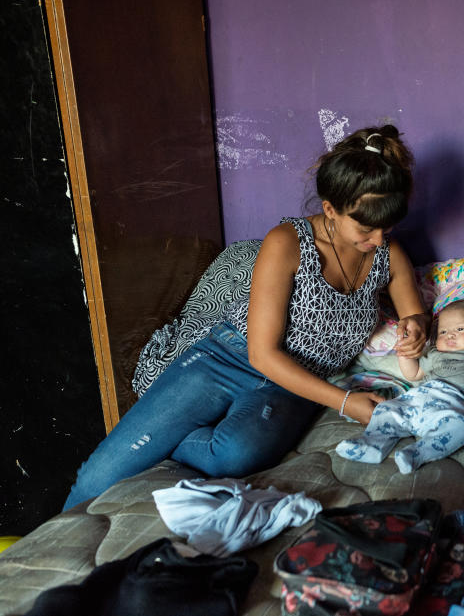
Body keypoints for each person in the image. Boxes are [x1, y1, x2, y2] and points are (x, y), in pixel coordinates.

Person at [63, 125, 430, 510]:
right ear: (330, 209)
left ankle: (164, 438)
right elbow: (261, 355)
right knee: (97, 478)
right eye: (366, 228)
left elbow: (415, 313)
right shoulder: (287, 242)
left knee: (234, 456)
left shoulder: (388, 255)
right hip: (230, 358)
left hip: (294, 385)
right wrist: (345, 403)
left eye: (386, 229)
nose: (377, 239)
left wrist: (416, 328)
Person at [336, 300, 464, 474]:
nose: (450, 335)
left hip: (459, 404)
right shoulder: (436, 354)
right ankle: (372, 444)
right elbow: (413, 374)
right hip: (421, 397)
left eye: (460, 329)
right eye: (443, 331)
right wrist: (403, 353)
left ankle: (417, 454)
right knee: (386, 410)